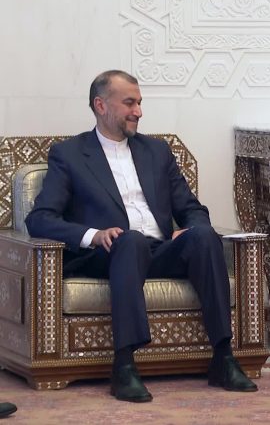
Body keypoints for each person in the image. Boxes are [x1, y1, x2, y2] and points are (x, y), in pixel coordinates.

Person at [25, 70, 257, 403]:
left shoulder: (157, 151)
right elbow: (40, 219)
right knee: (130, 240)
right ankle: (124, 366)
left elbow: (191, 208)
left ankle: (223, 357)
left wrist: (190, 227)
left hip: (158, 249)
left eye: (139, 103)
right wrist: (94, 235)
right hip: (109, 253)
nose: (138, 111)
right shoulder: (70, 154)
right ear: (101, 105)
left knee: (204, 236)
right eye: (129, 103)